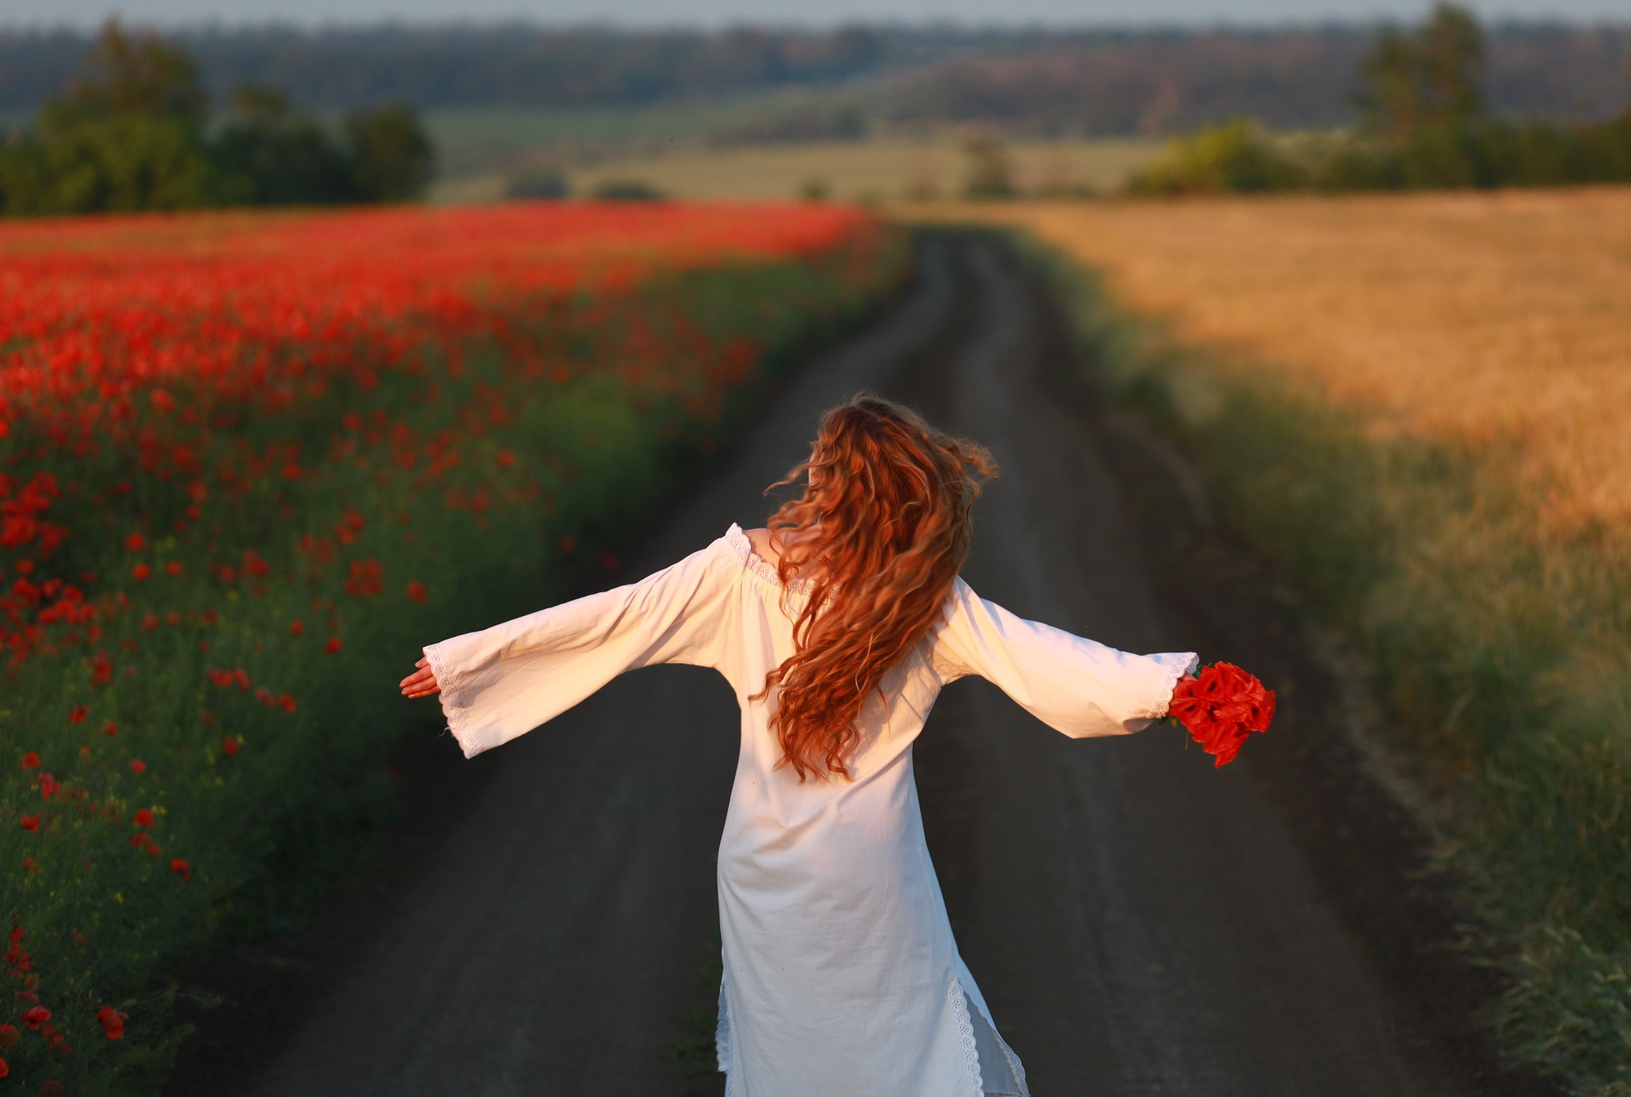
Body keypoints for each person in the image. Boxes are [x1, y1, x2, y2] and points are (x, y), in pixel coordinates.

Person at [398, 391, 1200, 1097]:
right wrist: (1176, 692)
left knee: (786, 1052)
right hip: (875, 871)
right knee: (906, 1034)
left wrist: (469, 662)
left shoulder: (740, 572)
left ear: (830, 481)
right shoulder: (927, 598)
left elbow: (617, 616)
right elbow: (1050, 659)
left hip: (763, 869)